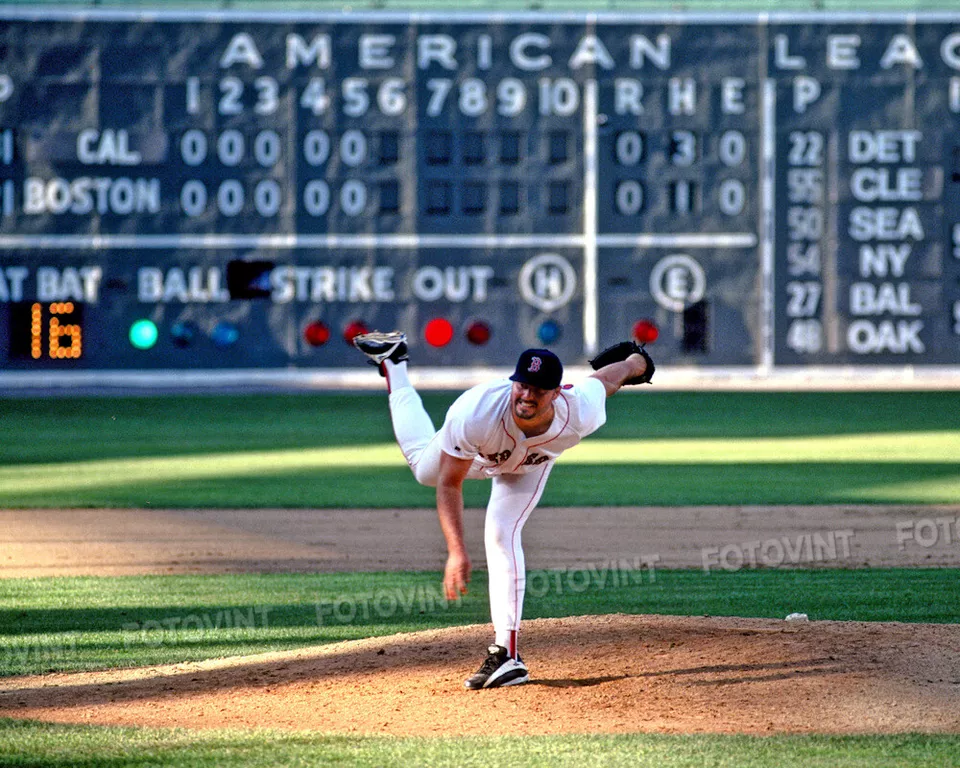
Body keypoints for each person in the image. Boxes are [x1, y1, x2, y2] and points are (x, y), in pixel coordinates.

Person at [353, 330, 650, 690]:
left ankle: (507, 655)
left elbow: (607, 378)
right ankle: (395, 363)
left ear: (557, 393)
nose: (527, 395)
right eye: (522, 385)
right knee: (422, 469)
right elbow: (449, 483)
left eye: (539, 389)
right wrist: (456, 551)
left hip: (529, 466)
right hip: (476, 456)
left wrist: (637, 361)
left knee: (500, 534)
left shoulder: (579, 411)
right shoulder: (475, 412)